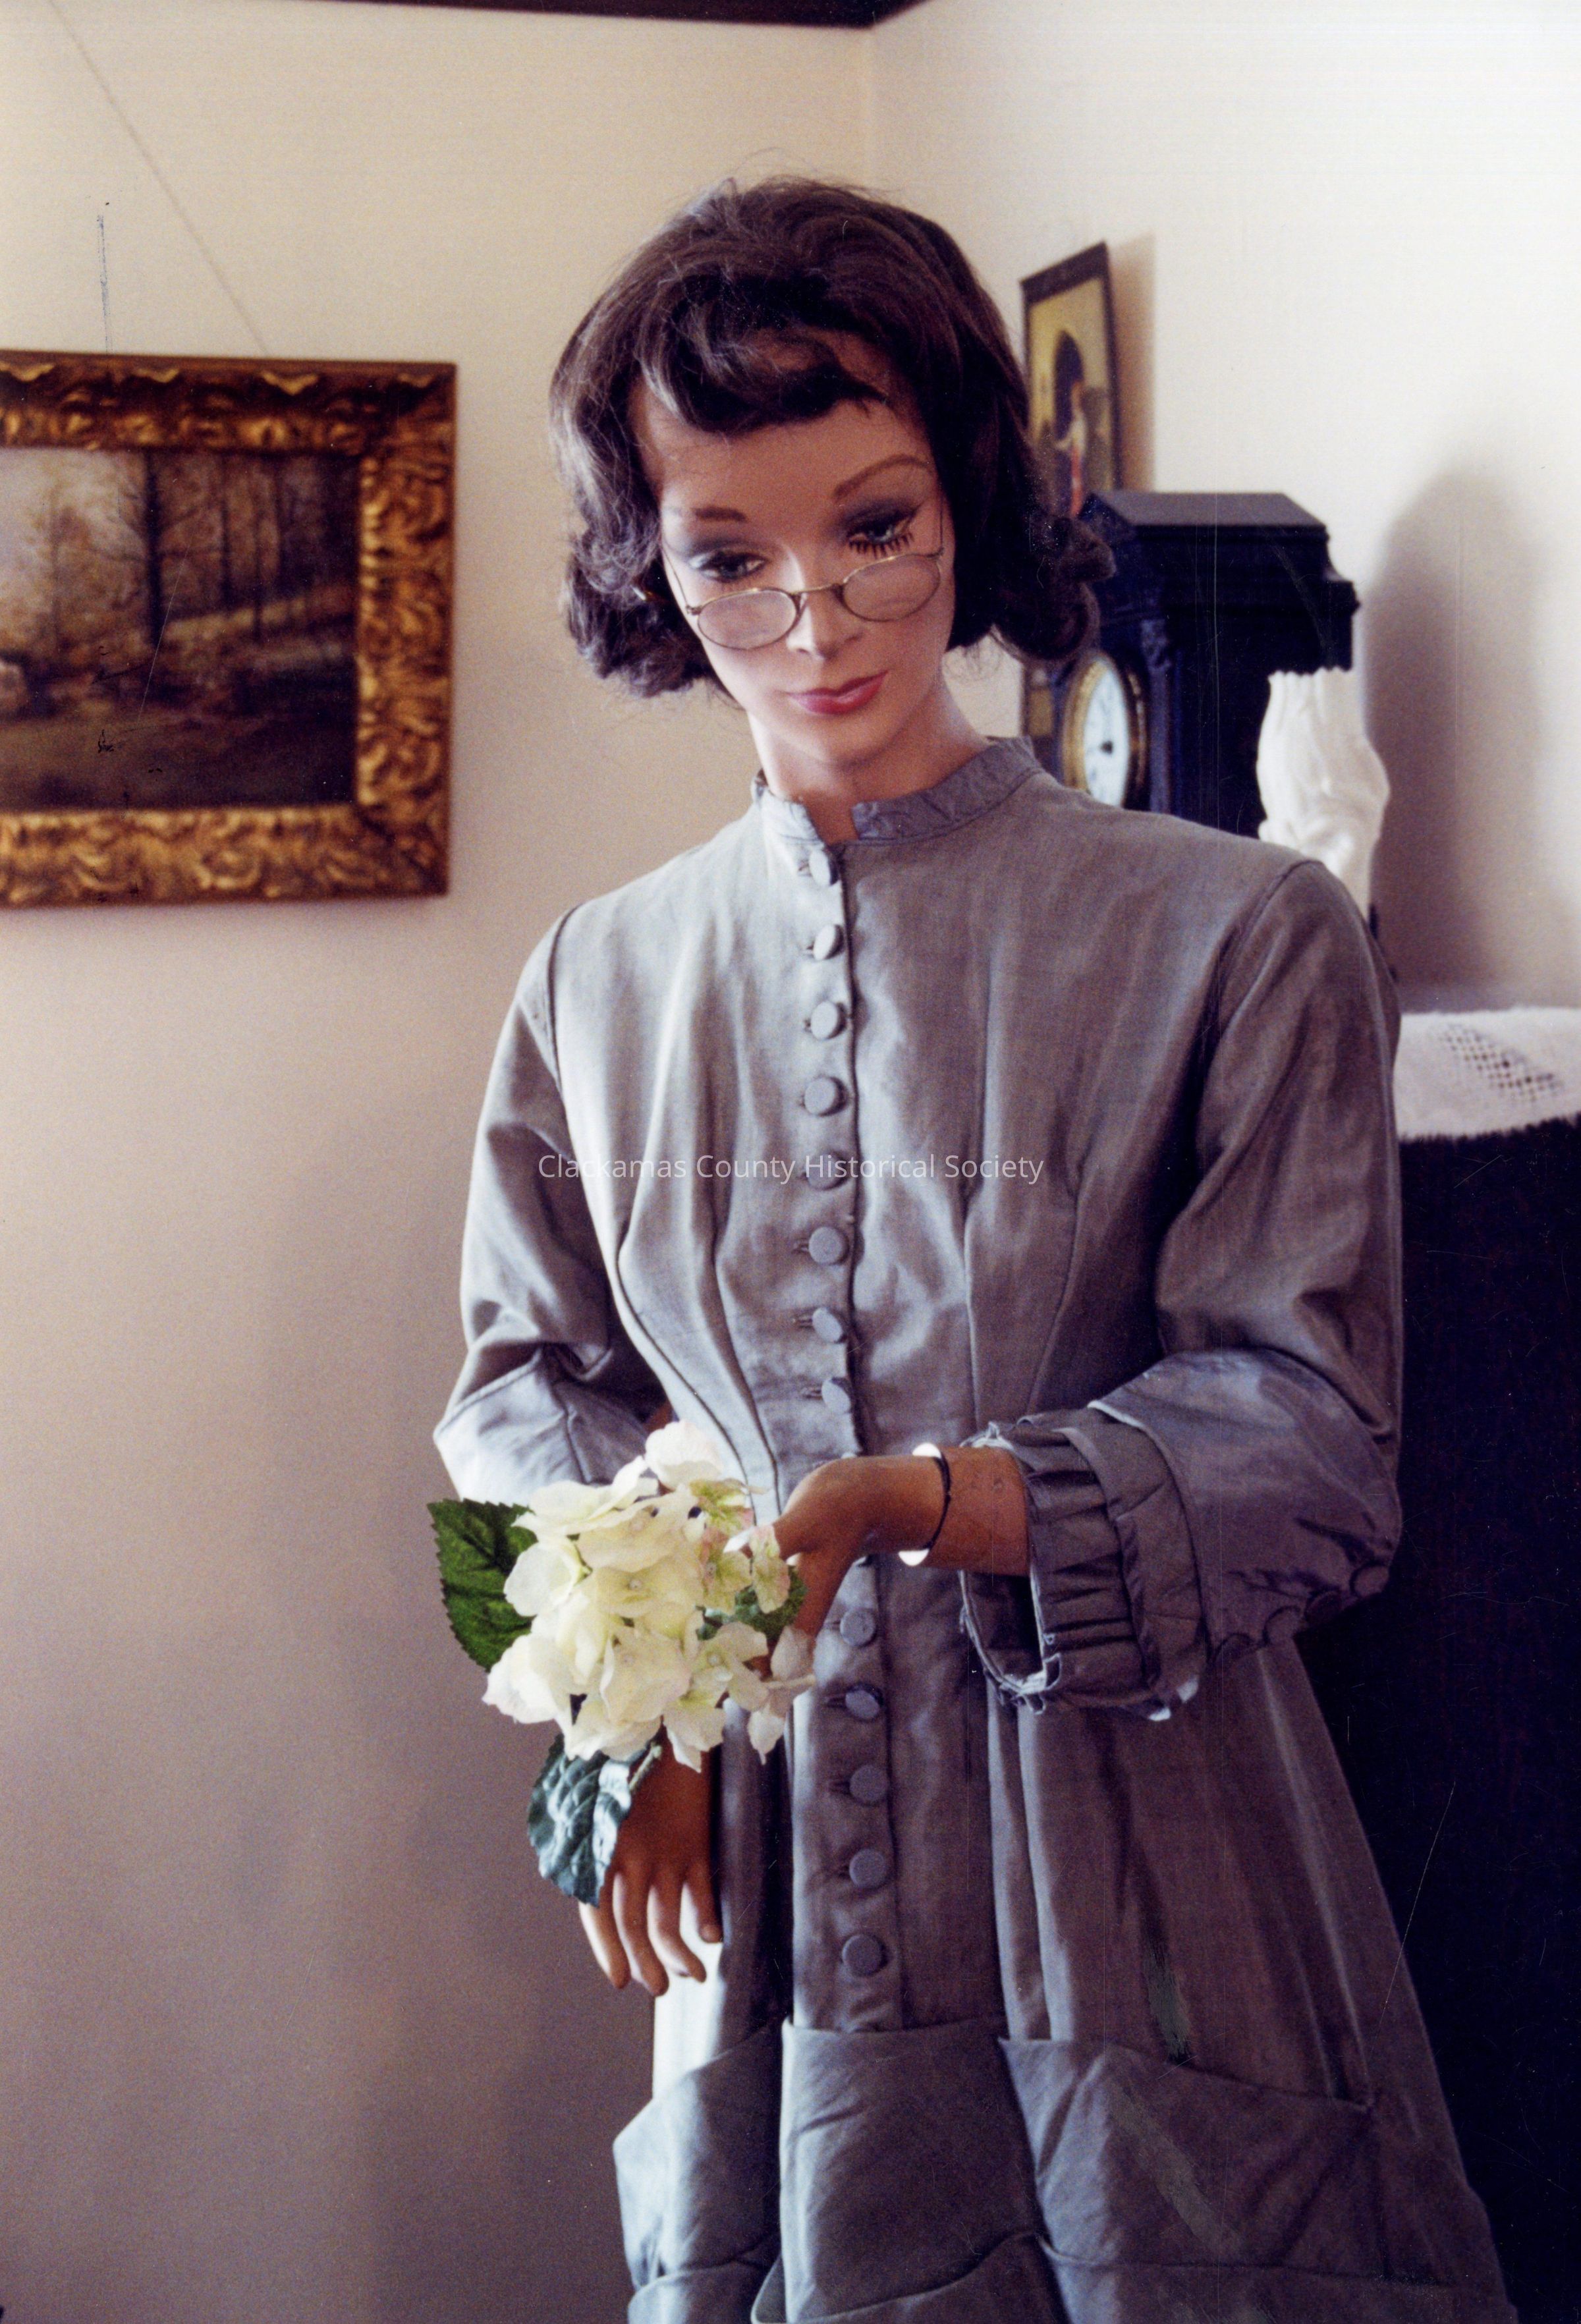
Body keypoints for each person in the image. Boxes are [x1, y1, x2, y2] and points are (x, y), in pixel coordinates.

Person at [435, 178, 1512, 2323]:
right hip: (769, 1912)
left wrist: (919, 1501)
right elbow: (521, 1401)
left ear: (975, 505)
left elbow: (1315, 1447)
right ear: (650, 568)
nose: (815, 618)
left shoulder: (1243, 933)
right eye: (730, 557)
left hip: (1156, 1864)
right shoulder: (592, 985)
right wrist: (627, 1732)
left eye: (877, 527)